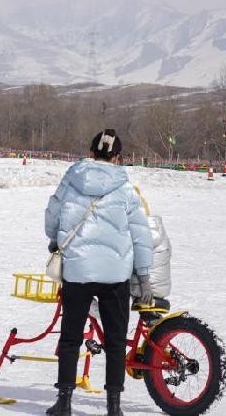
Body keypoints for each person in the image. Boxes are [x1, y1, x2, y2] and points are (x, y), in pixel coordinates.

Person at [44, 129, 154, 416]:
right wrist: (142, 274)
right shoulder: (124, 186)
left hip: (77, 270)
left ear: (91, 152)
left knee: (70, 337)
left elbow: (53, 212)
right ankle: (113, 407)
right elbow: (141, 233)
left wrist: (55, 239)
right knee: (116, 341)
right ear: (117, 157)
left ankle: (64, 403)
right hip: (115, 274)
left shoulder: (72, 177)